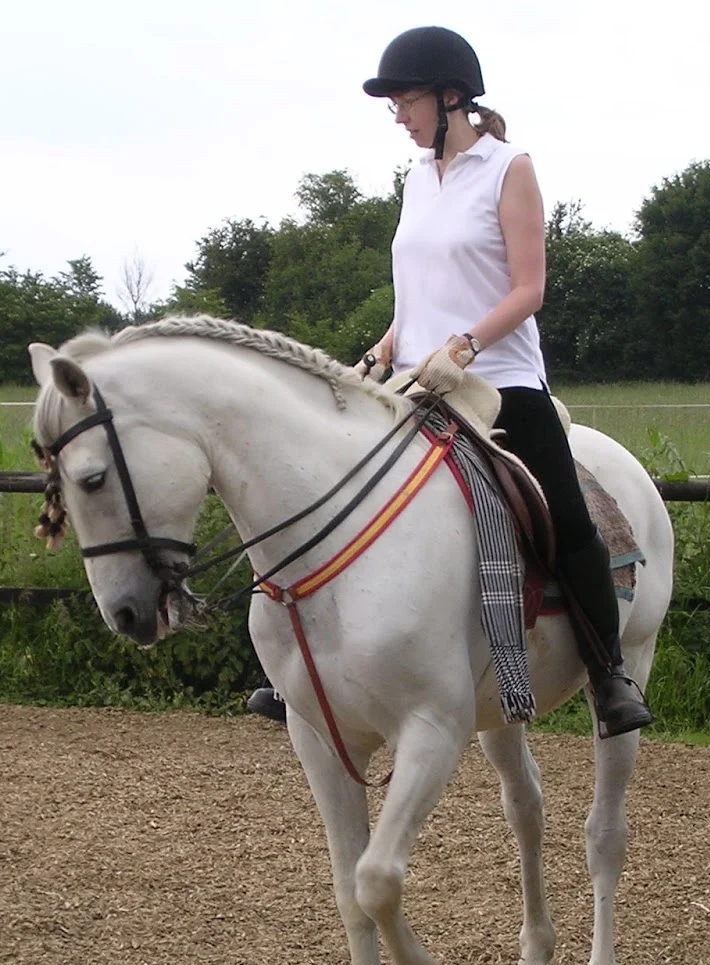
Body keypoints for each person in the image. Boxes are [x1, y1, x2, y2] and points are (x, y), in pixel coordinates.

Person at [249, 25, 650, 737]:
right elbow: (417, 294)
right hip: (415, 380)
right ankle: (314, 674)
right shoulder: (416, 179)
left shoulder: (508, 168)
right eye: (395, 105)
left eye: (406, 101)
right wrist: (381, 351)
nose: (399, 116)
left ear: (451, 97)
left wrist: (463, 347)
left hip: (499, 379)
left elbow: (529, 288)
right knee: (338, 495)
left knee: (563, 516)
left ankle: (608, 671)